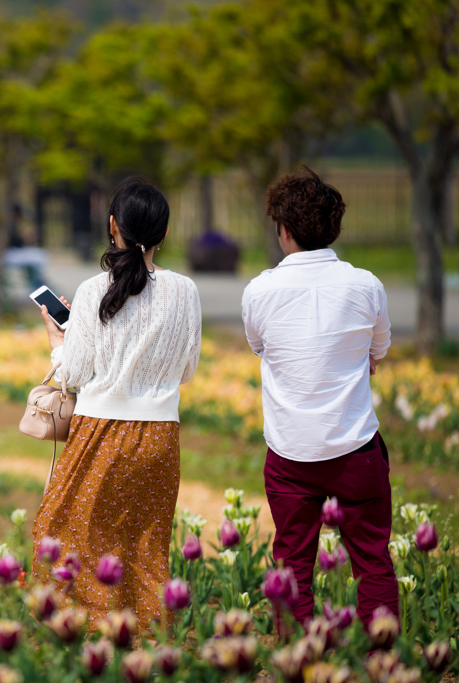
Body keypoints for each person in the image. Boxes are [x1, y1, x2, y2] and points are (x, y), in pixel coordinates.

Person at [31, 179, 202, 625]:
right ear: (163, 234)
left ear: (113, 227)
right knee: (143, 552)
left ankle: (84, 641)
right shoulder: (186, 291)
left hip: (101, 433)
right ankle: (142, 644)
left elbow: (73, 373)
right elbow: (186, 370)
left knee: (64, 538)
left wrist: (57, 340)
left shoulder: (92, 290)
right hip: (160, 438)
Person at [241, 167, 395, 626]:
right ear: (334, 228)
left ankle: (299, 661)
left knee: (292, 567)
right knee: (372, 561)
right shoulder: (366, 285)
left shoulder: (260, 291)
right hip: (356, 450)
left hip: (290, 454)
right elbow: (378, 350)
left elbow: (259, 347)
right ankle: (383, 661)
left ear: (283, 230)